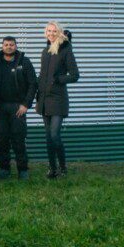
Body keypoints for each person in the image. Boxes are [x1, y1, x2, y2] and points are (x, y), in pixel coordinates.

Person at [36, 21, 79, 179]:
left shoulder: (66, 50)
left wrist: (58, 79)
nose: (51, 33)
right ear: (45, 33)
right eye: (49, 31)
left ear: (59, 32)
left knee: (54, 134)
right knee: (48, 136)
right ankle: (52, 168)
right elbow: (42, 76)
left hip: (58, 99)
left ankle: (62, 166)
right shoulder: (44, 51)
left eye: (55, 31)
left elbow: (75, 75)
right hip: (44, 100)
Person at [0, 36, 37, 180]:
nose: (9, 47)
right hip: (0, 108)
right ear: (2, 46)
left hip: (18, 107)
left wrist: (26, 104)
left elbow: (33, 84)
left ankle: (22, 169)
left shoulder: (24, 61)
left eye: (12, 44)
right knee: (2, 139)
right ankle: (4, 169)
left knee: (18, 139)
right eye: (6, 44)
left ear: (16, 46)